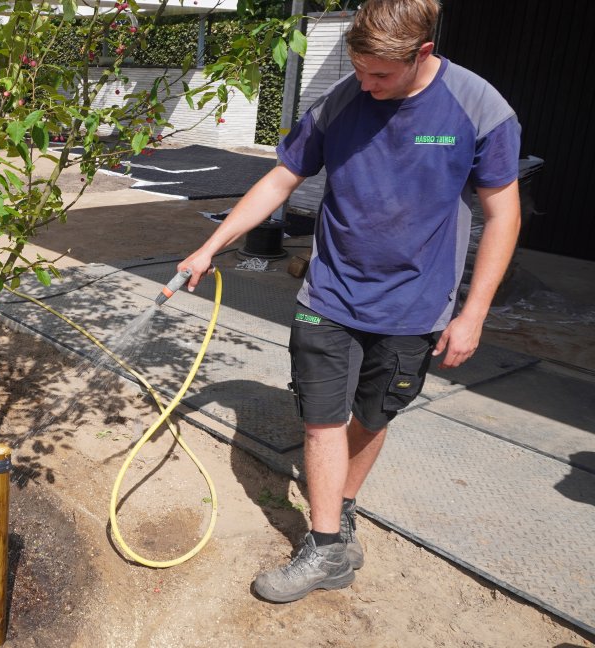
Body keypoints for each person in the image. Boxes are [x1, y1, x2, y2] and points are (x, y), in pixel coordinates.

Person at [179, 0, 521, 603]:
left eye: (379, 76)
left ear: (421, 54)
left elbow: (502, 213)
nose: (366, 85)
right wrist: (211, 245)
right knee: (321, 417)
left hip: (418, 303)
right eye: (359, 71)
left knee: (373, 415)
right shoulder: (340, 101)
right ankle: (326, 543)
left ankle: (341, 509)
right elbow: (280, 178)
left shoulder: (479, 107)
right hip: (329, 291)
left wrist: (474, 313)